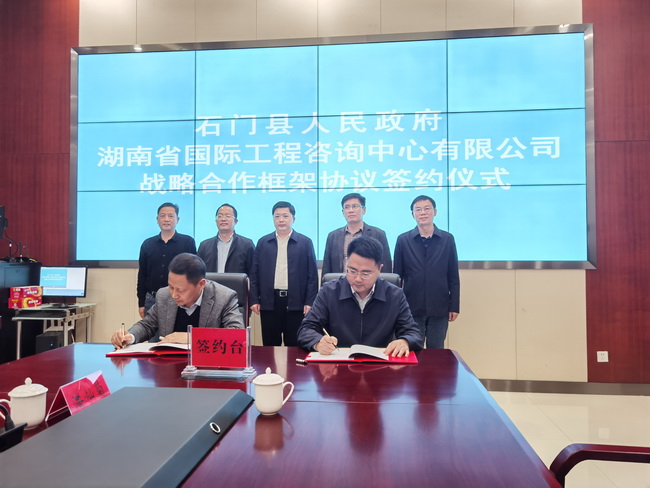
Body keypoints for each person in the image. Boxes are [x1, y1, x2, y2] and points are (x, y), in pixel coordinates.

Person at [298, 236, 422, 357]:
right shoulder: (329, 292)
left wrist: (405, 341)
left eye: (365, 273)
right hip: (338, 364)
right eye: (352, 271)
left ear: (379, 269)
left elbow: (413, 333)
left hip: (379, 365)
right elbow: (306, 329)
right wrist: (318, 342)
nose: (357, 279)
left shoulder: (395, 295)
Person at [112, 253, 243, 348]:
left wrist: (191, 337)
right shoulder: (164, 295)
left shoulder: (224, 297)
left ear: (201, 284)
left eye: (180, 290)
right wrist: (130, 336)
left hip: (208, 367)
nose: (174, 295)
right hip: (169, 367)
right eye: (171, 287)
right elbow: (147, 325)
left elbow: (237, 335)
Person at [394, 195, 460, 349]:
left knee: (436, 350)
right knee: (412, 349)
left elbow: (453, 276)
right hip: (411, 306)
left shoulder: (447, 239)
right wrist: (396, 307)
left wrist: (454, 306)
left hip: (440, 306)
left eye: (427, 209)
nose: (423, 213)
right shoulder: (403, 240)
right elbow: (397, 277)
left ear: (434, 212)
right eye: (418, 210)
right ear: (413, 215)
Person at [250, 201, 318, 346]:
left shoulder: (305, 242)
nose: (281, 220)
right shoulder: (263, 242)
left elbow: (312, 276)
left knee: (295, 345)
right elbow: (254, 274)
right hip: (269, 302)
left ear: (294, 218)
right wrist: (255, 299)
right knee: (270, 345)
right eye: (277, 216)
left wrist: (310, 302)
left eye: (285, 216)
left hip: (296, 303)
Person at [136, 202, 196, 318]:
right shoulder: (147, 244)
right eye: (162, 216)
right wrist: (141, 303)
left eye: (171, 216)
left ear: (178, 219)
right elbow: (142, 275)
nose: (166, 219)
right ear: (157, 219)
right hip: (152, 300)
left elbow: (193, 274)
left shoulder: (188, 242)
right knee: (152, 330)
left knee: (178, 330)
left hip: (180, 299)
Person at [321, 192, 392, 276]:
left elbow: (386, 267)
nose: (351, 210)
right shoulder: (333, 236)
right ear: (343, 212)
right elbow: (327, 267)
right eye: (347, 207)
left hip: (368, 282)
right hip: (339, 282)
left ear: (364, 210)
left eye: (355, 206)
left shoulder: (378, 234)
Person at [197, 203, 255, 275]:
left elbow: (252, 272)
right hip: (210, 282)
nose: (223, 219)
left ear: (235, 221)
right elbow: (198, 272)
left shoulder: (247, 244)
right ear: (216, 221)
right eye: (220, 216)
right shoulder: (204, 245)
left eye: (228, 216)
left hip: (235, 283)